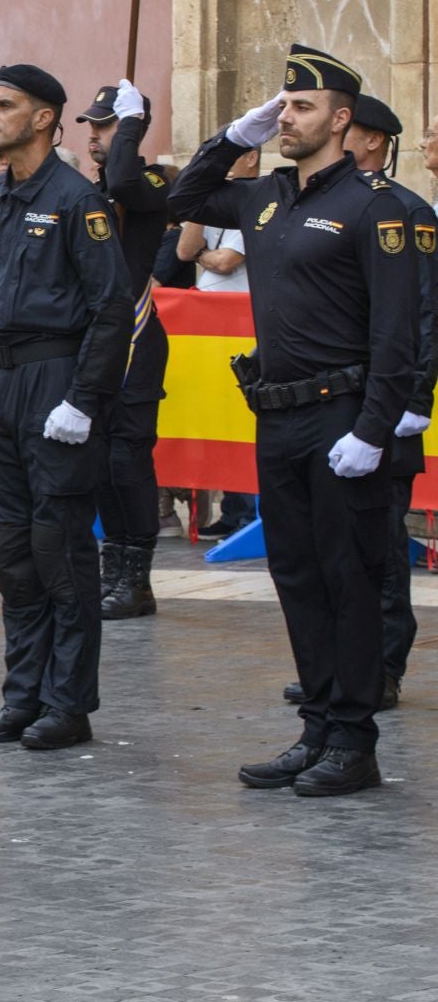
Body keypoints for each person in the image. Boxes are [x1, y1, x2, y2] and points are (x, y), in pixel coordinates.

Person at [168, 44, 418, 797]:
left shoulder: (376, 209)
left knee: (351, 577)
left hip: (341, 418)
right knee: (297, 576)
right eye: (281, 105)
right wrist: (233, 139)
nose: (287, 117)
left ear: (343, 120)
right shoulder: (264, 197)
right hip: (276, 419)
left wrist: (373, 430)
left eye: (302, 107)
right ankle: (316, 728)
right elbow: (180, 198)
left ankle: (354, 739)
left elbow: (397, 335)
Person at [0, 64, 130, 752]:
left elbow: (111, 308)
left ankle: (67, 702)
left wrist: (84, 400)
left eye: (6, 105)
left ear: (45, 118)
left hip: (54, 381)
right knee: (12, 549)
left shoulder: (77, 200)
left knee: (57, 547)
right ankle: (21, 696)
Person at [310, 94, 432, 713]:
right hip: (338, 404)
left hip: (385, 406)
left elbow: (421, 316)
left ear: (375, 140)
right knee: (332, 548)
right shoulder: (326, 207)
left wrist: (414, 399)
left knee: (379, 548)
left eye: (345, 128)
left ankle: (381, 666)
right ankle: (342, 668)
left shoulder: (405, 213)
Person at [76, 80, 173, 620]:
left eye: (106, 125)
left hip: (136, 338)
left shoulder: (148, 179)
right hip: (99, 338)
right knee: (98, 460)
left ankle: (137, 576)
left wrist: (130, 132)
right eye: (92, 125)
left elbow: (127, 179)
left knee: (126, 458)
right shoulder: (92, 188)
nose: (96, 135)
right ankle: (113, 567)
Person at [178, 144, 257, 539]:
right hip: (208, 325)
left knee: (240, 417)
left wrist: (205, 256)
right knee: (216, 415)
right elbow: (184, 249)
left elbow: (227, 262)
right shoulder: (216, 201)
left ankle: (244, 512)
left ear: (252, 158)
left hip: (241, 321)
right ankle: (231, 507)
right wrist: (202, 196)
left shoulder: (255, 200)